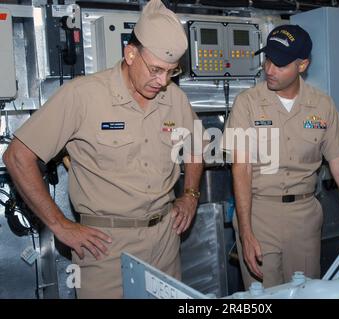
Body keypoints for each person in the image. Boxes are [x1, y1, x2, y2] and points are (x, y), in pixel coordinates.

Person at [3, 0, 203, 298]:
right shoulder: (82, 96)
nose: (162, 81)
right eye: (156, 70)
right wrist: (61, 226)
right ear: (130, 54)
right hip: (105, 247)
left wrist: (190, 195)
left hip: (165, 240)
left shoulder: (174, 98)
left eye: (171, 72)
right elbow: (18, 156)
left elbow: (197, 145)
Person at [225, 24, 339, 289]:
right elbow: (241, 168)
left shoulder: (322, 105)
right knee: (264, 298)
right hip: (259, 215)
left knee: (306, 293)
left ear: (302, 65)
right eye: (268, 59)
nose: (269, 69)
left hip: (304, 219)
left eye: (280, 64)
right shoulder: (248, 103)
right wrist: (245, 231)